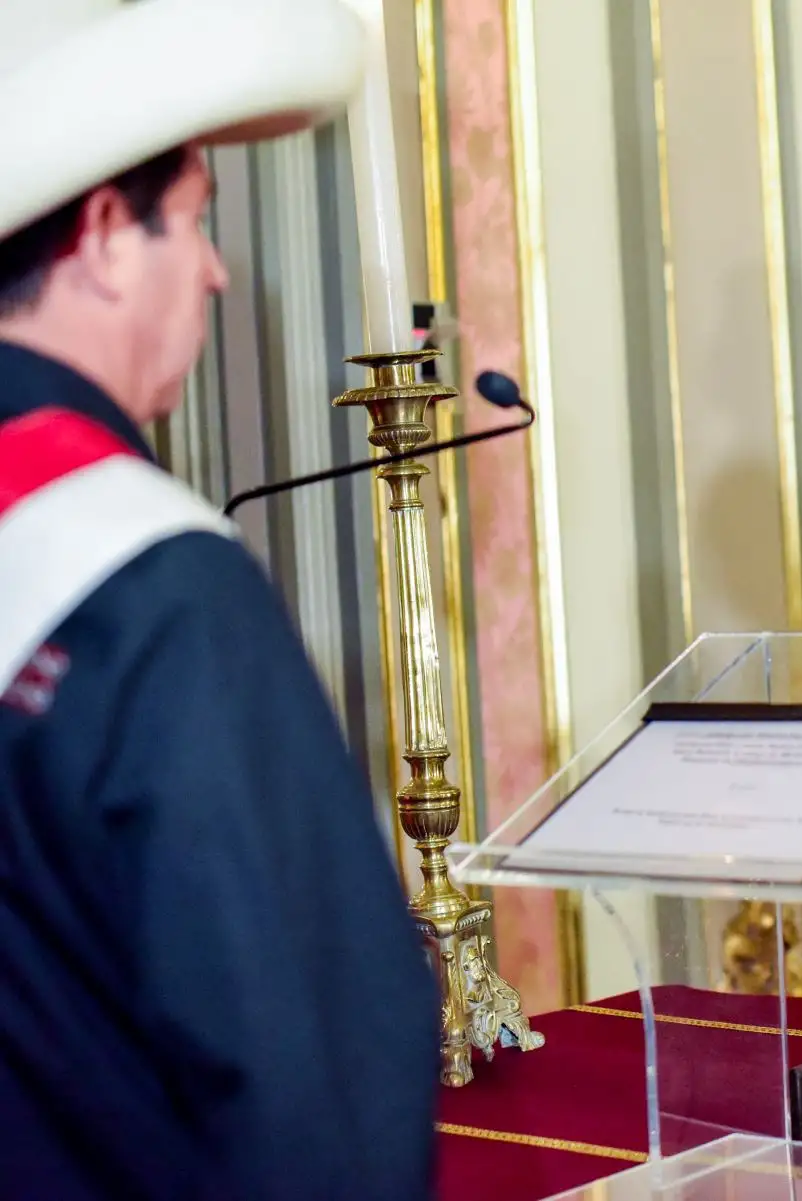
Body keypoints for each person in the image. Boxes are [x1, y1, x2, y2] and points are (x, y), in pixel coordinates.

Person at [0, 3, 439, 1200]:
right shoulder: (151, 589)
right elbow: (316, 1067)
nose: (215, 269)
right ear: (100, 234)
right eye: (192, 221)